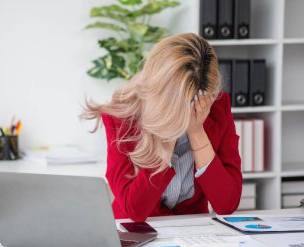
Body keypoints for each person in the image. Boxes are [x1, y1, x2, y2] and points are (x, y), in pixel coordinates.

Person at [81, 33, 242, 222]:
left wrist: (197, 131)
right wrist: (168, 128)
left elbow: (227, 205)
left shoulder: (217, 107)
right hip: (136, 231)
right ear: (158, 90)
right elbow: (135, 210)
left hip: (193, 230)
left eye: (194, 101)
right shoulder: (120, 117)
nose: (186, 110)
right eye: (179, 103)